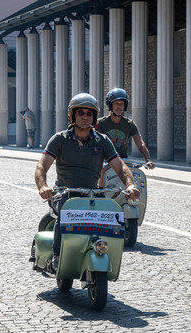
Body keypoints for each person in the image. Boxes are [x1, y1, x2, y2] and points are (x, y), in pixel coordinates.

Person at [34, 93, 140, 272]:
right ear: (73, 115)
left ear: (94, 117)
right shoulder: (59, 139)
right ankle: (57, 257)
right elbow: (41, 166)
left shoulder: (102, 140)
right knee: (65, 214)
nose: (85, 117)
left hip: (93, 194)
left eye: (89, 114)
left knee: (109, 219)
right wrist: (43, 186)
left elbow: (120, 167)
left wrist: (130, 185)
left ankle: (102, 251)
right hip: (65, 194)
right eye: (81, 113)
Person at [96, 88, 155, 169]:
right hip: (105, 159)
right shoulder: (100, 123)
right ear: (110, 105)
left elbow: (140, 144)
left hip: (123, 159)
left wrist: (148, 160)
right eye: (116, 103)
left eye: (122, 103)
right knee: (104, 174)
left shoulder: (130, 124)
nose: (119, 106)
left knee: (131, 179)